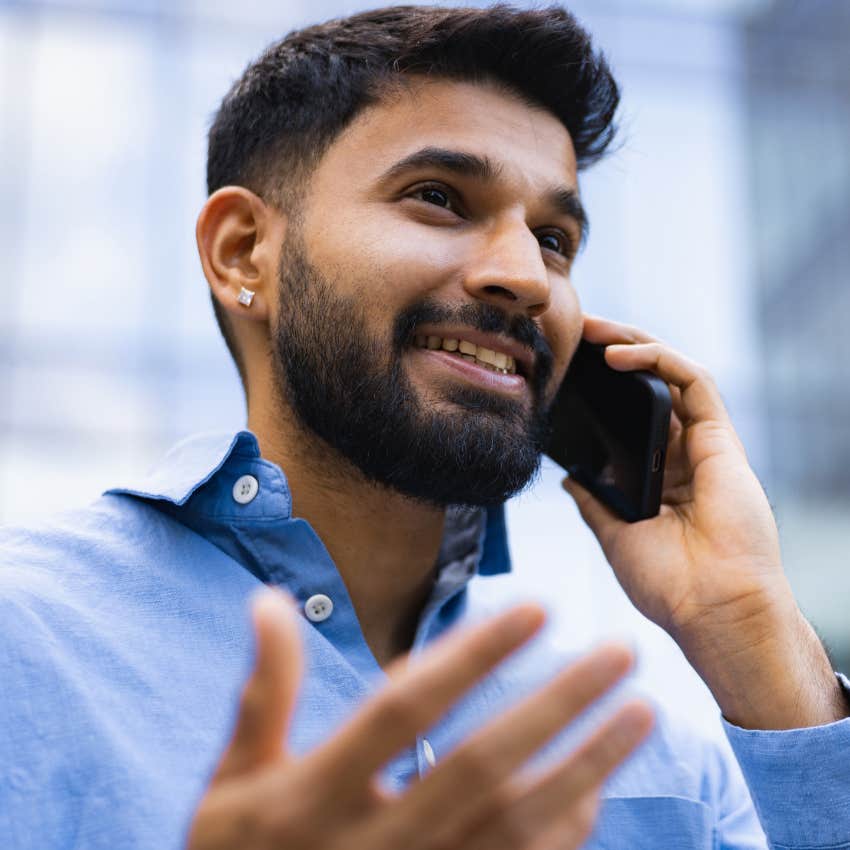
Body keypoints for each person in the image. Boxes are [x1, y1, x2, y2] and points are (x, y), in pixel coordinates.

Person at [2, 4, 849, 849]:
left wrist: (752, 631)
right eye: (439, 198)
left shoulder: (657, 758)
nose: (525, 276)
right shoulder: (27, 645)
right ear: (242, 251)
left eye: (555, 240)